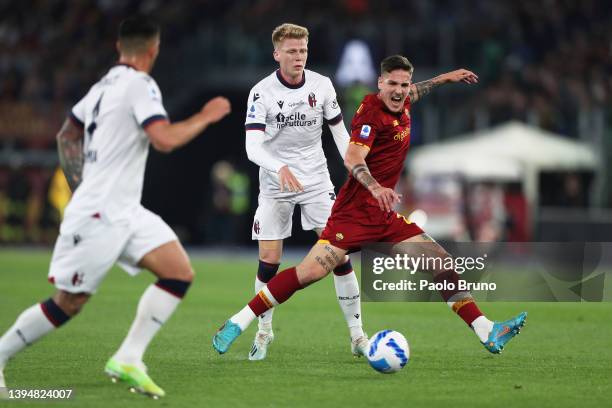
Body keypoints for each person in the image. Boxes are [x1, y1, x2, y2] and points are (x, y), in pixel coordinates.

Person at [213, 55, 526, 356]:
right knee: (306, 274)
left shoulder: (403, 101)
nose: (400, 91)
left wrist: (446, 78)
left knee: (441, 262)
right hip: (353, 216)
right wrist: (376, 186)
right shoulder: (371, 111)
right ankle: (238, 322)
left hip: (384, 216)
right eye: (392, 84)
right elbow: (353, 157)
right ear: (380, 82)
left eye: (404, 85)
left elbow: (419, 90)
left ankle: (487, 330)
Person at [0, 16, 231, 399]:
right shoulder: (140, 85)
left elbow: (66, 134)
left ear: (119, 47)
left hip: (124, 210)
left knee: (178, 272)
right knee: (69, 303)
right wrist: (205, 117)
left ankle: (128, 357)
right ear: (153, 50)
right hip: (100, 212)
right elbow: (164, 139)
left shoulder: (102, 86)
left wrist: (80, 184)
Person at [243, 23, 367, 361]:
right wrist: (277, 166)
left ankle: (357, 336)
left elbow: (340, 133)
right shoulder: (261, 93)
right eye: (292, 51)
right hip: (274, 183)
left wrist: (356, 168)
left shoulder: (322, 85)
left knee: (338, 255)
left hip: (315, 181)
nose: (299, 57)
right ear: (277, 54)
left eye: (303, 51)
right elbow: (252, 145)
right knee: (270, 259)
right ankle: (264, 332)